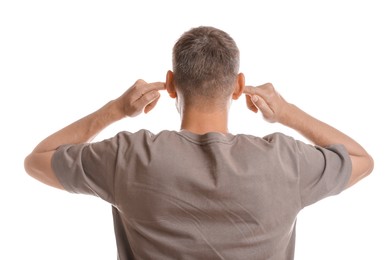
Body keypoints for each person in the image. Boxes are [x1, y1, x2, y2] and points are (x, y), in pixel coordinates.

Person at [24, 26, 374, 260]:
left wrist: (116, 110)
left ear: (171, 84)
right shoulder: (286, 161)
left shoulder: (128, 156)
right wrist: (285, 112)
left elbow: (38, 158)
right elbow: (361, 159)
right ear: (238, 87)